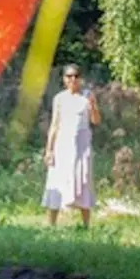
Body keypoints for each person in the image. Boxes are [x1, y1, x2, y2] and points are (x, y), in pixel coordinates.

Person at [42, 64, 101, 228]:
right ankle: (51, 224)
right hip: (63, 144)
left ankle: (86, 225)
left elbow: (95, 121)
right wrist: (49, 150)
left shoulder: (87, 96)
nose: (73, 79)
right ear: (64, 79)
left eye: (76, 76)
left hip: (82, 146)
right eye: (69, 76)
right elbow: (54, 125)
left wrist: (94, 106)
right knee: (56, 180)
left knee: (83, 180)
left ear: (80, 78)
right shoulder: (59, 98)